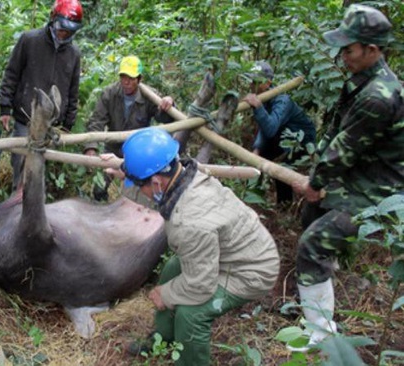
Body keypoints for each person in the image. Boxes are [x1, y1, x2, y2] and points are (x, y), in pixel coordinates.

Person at [291, 4, 404, 351]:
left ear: (372, 50)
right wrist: (316, 180)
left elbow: (344, 150)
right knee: (309, 216)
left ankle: (322, 335)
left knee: (310, 244)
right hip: (359, 175)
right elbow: (335, 132)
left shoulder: (380, 96)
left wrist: (315, 182)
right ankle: (321, 284)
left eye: (349, 49)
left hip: (379, 191)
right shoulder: (362, 81)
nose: (343, 56)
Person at [120, 128, 280, 365]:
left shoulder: (190, 222)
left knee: (190, 314)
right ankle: (163, 338)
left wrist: (166, 293)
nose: (138, 190)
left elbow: (200, 286)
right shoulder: (185, 172)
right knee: (172, 269)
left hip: (251, 270)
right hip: (233, 250)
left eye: (138, 185)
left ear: (156, 182)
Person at [0, 0, 83, 190]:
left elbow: (73, 90)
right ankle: (16, 209)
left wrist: (68, 124)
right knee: (20, 166)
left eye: (70, 30)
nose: (65, 34)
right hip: (25, 118)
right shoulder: (29, 40)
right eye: (62, 28)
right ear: (53, 18)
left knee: (39, 171)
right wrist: (5, 107)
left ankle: (35, 212)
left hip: (52, 124)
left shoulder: (73, 53)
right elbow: (12, 74)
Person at [83, 55, 175, 201]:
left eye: (131, 78)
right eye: (123, 77)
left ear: (139, 79)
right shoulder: (109, 93)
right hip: (113, 147)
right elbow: (97, 120)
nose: (126, 82)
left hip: (137, 150)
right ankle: (102, 204)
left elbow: (163, 118)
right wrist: (91, 147)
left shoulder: (150, 96)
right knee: (99, 189)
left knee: (137, 190)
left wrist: (167, 105)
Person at [242, 61, 316, 204]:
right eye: (251, 81)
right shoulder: (263, 98)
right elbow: (265, 129)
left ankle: (285, 206)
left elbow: (270, 128)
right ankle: (254, 197)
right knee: (256, 159)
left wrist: (258, 106)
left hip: (301, 141)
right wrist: (257, 149)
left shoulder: (283, 101)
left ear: (268, 83)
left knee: (282, 169)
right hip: (281, 136)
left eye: (257, 82)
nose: (252, 85)